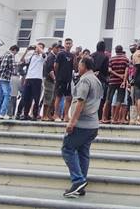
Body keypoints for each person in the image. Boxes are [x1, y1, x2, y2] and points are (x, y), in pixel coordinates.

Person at [61, 55, 102, 198]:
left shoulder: (85, 80)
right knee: (83, 152)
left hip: (82, 123)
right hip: (93, 124)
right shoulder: (97, 81)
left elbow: (80, 101)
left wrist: (72, 121)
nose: (78, 67)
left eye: (79, 64)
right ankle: (81, 183)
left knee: (67, 149)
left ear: (84, 65)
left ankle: (78, 180)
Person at [20, 43, 46, 120]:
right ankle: (25, 114)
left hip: (37, 79)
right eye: (37, 47)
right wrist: (26, 51)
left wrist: (37, 46)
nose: (38, 48)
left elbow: (44, 54)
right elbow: (22, 60)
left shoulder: (42, 56)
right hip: (29, 78)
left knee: (36, 98)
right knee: (26, 97)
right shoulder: (32, 56)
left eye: (40, 47)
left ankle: (34, 115)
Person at [55, 39, 76, 122]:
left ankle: (66, 115)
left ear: (72, 45)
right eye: (66, 43)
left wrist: (75, 59)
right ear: (64, 44)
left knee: (69, 97)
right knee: (58, 97)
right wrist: (58, 76)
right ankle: (56, 115)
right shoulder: (61, 54)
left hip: (68, 79)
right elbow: (56, 66)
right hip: (60, 79)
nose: (68, 45)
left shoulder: (72, 55)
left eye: (69, 44)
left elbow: (75, 68)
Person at [106, 45, 129, 124]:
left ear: (115, 51)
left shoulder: (111, 59)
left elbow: (109, 70)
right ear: (122, 50)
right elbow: (126, 71)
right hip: (121, 82)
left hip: (112, 81)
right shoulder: (125, 59)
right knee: (119, 100)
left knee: (109, 99)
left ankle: (104, 117)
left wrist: (116, 74)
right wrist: (124, 80)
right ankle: (115, 118)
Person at [0, 45, 18, 119]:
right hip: (6, 78)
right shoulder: (11, 55)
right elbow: (13, 67)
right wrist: (17, 67)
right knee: (7, 95)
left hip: (0, 78)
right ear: (15, 50)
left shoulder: (3, 55)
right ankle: (2, 113)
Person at [90, 41, 110, 122]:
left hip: (91, 77)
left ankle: (90, 115)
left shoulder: (92, 55)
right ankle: (98, 116)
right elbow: (105, 70)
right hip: (101, 79)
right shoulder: (105, 57)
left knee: (91, 97)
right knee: (100, 98)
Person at [41, 43, 59, 121]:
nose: (58, 49)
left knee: (52, 98)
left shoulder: (55, 56)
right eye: (56, 48)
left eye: (59, 48)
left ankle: (48, 114)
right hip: (49, 79)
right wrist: (54, 79)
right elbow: (50, 69)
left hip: (52, 80)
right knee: (48, 97)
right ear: (53, 48)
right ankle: (44, 115)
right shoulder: (51, 57)